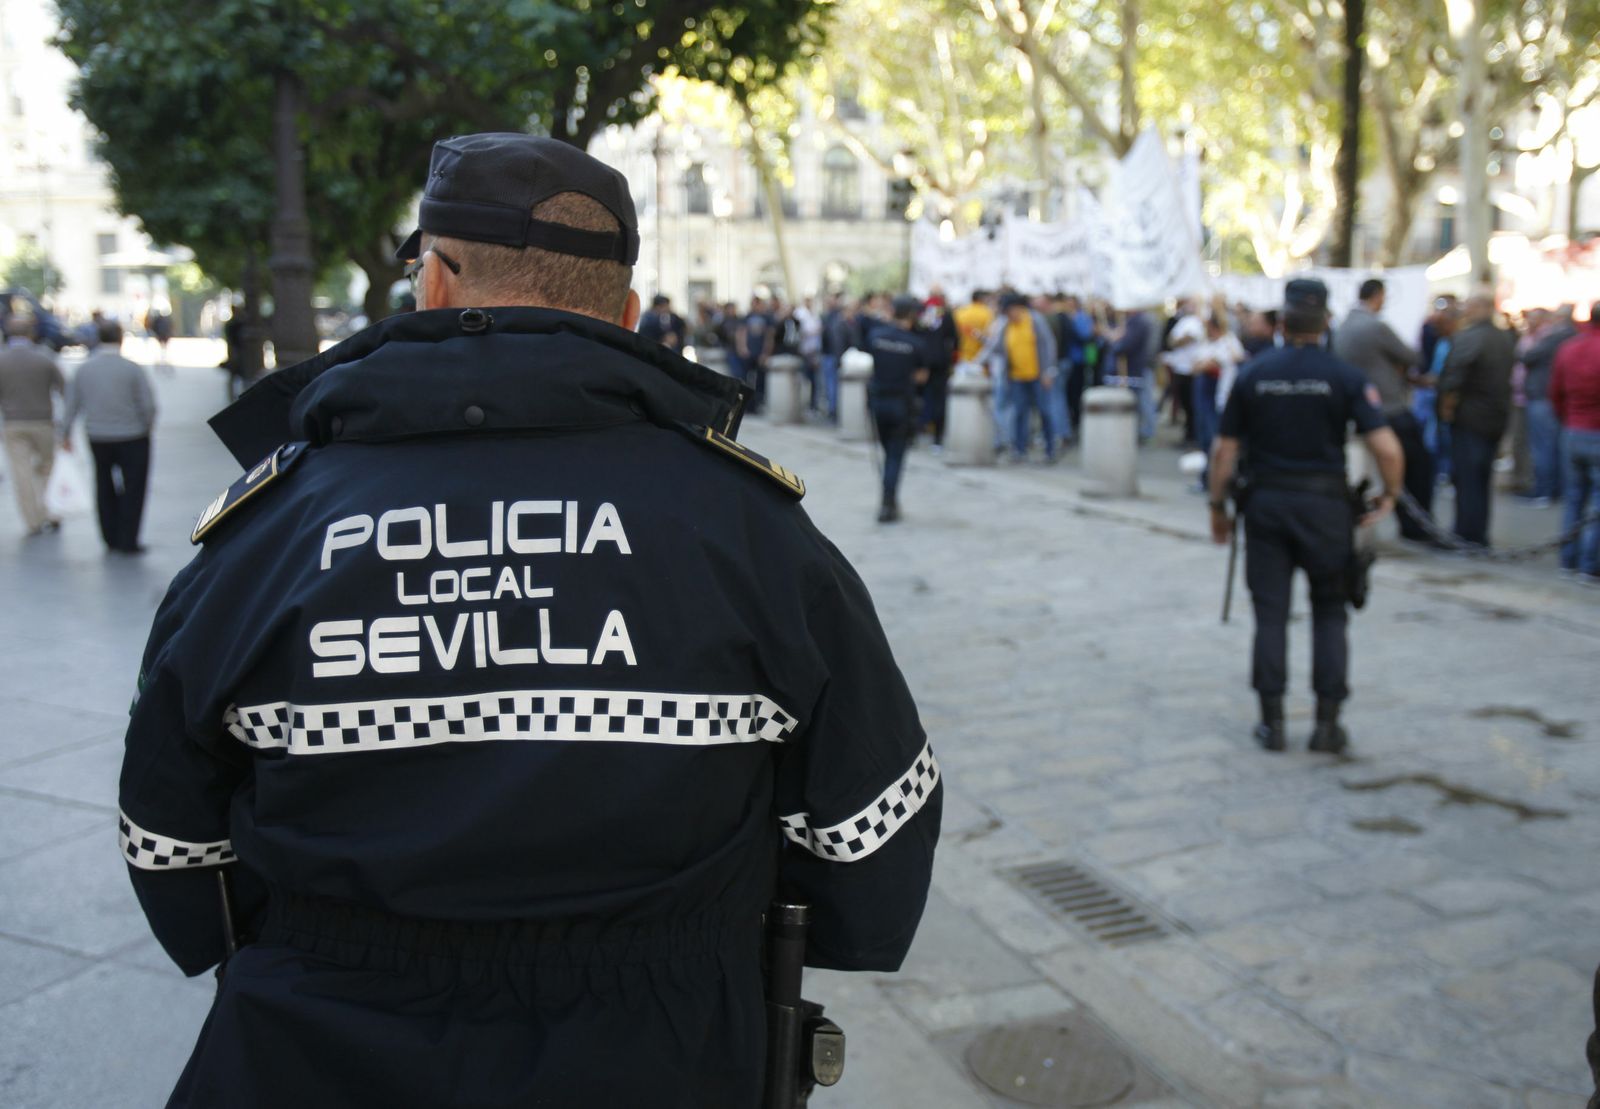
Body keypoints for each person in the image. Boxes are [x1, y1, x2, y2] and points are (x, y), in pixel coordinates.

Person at [118, 133, 941, 1108]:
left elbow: (168, 836)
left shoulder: (271, 525)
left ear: (431, 281)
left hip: (312, 1042)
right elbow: (868, 831)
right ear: (628, 316)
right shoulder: (751, 529)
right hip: (666, 1048)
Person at [1208, 279, 1403, 755]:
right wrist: (1390, 494)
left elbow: (1223, 452)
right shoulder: (1344, 376)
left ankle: (1272, 724)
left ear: (1281, 321)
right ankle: (1327, 724)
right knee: (1330, 614)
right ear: (1326, 323)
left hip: (1267, 506)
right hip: (1325, 509)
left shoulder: (1254, 374)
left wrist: (1217, 507)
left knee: (1270, 616)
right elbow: (1386, 447)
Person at [1331, 278, 1434, 543]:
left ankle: (1408, 522)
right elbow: (1413, 357)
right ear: (1378, 296)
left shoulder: (1345, 326)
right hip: (1387, 408)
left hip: (1362, 410)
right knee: (1414, 465)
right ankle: (1416, 526)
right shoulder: (1374, 327)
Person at [60, 319, 156, 553]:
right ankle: (128, 538)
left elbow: (72, 405)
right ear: (121, 338)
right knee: (134, 487)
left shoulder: (85, 369)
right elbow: (148, 405)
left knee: (103, 484)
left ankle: (109, 536)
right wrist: (146, 426)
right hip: (132, 434)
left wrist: (65, 433)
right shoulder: (132, 369)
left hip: (98, 435)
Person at [1437, 292, 1515, 547]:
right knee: (1481, 478)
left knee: (1469, 478)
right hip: (1494, 416)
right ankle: (1476, 532)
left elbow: (1454, 376)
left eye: (1468, 306)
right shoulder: (1502, 337)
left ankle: (1467, 533)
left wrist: (1447, 406)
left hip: (1472, 417)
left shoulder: (1472, 337)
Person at [864, 295, 932, 522]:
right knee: (895, 455)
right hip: (901, 403)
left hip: (879, 401)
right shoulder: (916, 343)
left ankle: (888, 498)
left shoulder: (876, 336)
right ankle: (888, 502)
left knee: (887, 452)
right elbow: (922, 377)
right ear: (912, 315)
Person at [0, 315, 66, 535]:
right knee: (48, 468)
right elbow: (63, 388)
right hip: (43, 421)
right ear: (31, 333)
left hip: (13, 423)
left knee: (22, 473)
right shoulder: (44, 358)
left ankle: (32, 520)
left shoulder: (2, 360)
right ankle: (50, 511)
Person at [1551, 303, 1600, 584]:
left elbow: (1555, 391)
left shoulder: (1569, 348)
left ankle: (1569, 558)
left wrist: (1567, 418)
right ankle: (1589, 563)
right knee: (1594, 501)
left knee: (1574, 498)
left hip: (1573, 429)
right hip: (1592, 429)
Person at [983, 292, 1059, 462]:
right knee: (1020, 413)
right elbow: (995, 347)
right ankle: (1019, 449)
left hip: (1038, 376)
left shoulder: (1035, 320)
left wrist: (1048, 371)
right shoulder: (1005, 325)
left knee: (1044, 411)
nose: (1009, 315)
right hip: (1017, 377)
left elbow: (1049, 345)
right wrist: (976, 361)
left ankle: (1050, 449)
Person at [1520, 304, 1577, 506]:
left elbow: (1526, 356)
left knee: (1544, 446)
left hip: (1544, 398)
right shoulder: (1570, 337)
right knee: (1550, 446)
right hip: (1551, 398)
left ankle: (1545, 489)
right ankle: (1551, 488)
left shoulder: (1556, 337)